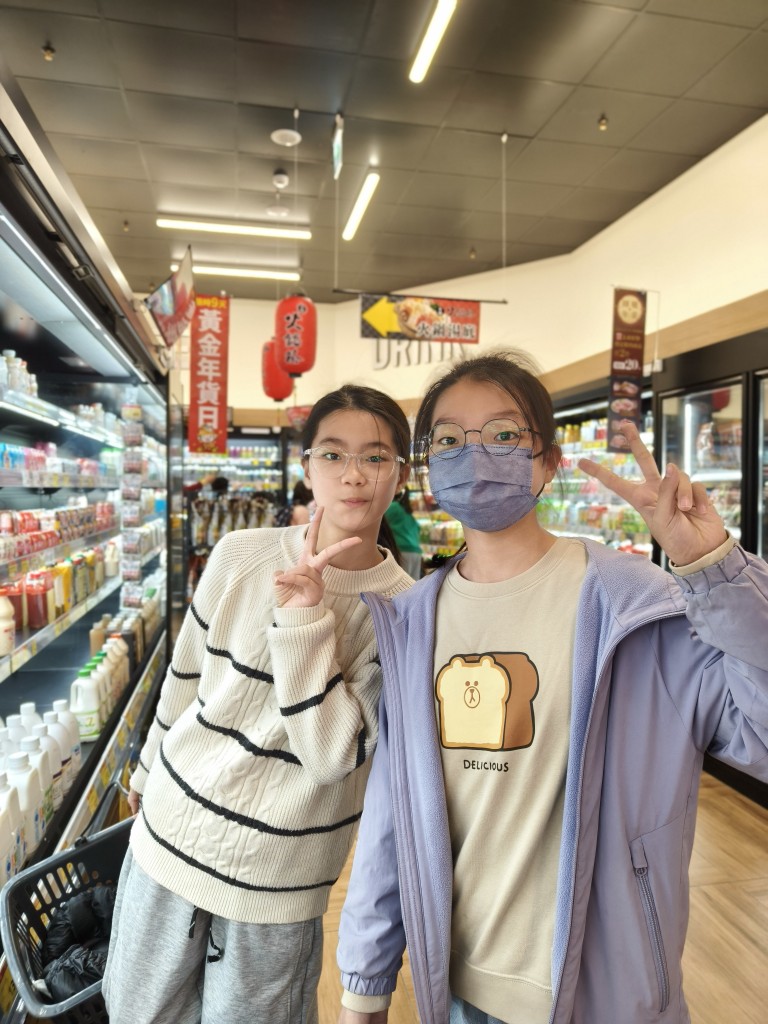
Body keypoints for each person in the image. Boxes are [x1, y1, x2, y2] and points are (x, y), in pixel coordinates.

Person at [336, 349, 768, 1024]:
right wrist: (364, 985)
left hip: (612, 994)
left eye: (505, 434)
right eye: (448, 440)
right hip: (459, 990)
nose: (474, 454)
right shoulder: (411, 622)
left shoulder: (636, 607)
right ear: (427, 470)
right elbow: (395, 818)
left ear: (549, 462)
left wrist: (715, 570)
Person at [103, 383, 413, 1024]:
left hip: (279, 878)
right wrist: (147, 772)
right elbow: (185, 675)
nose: (354, 474)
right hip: (170, 837)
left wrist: (304, 621)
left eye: (376, 457)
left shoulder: (405, 612)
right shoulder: (240, 555)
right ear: (307, 467)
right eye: (333, 454)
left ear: (401, 476)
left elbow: (333, 755)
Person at [385, 488, 423, 579]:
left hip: (402, 550)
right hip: (416, 552)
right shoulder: (408, 514)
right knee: (413, 583)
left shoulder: (392, 507)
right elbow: (418, 529)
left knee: (400, 583)